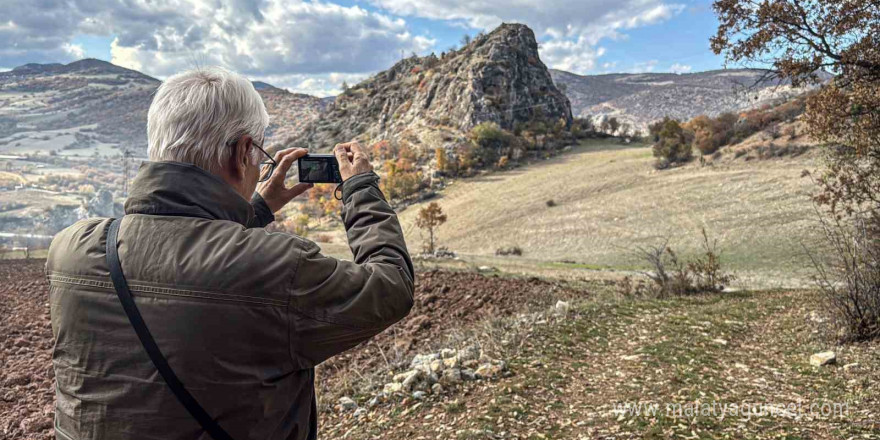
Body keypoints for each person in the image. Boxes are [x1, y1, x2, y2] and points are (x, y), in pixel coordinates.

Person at [46, 67, 414, 440]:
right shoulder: (279, 266)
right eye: (259, 154)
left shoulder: (71, 249)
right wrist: (360, 188)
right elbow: (391, 285)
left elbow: (184, 255)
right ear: (242, 152)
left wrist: (255, 209)